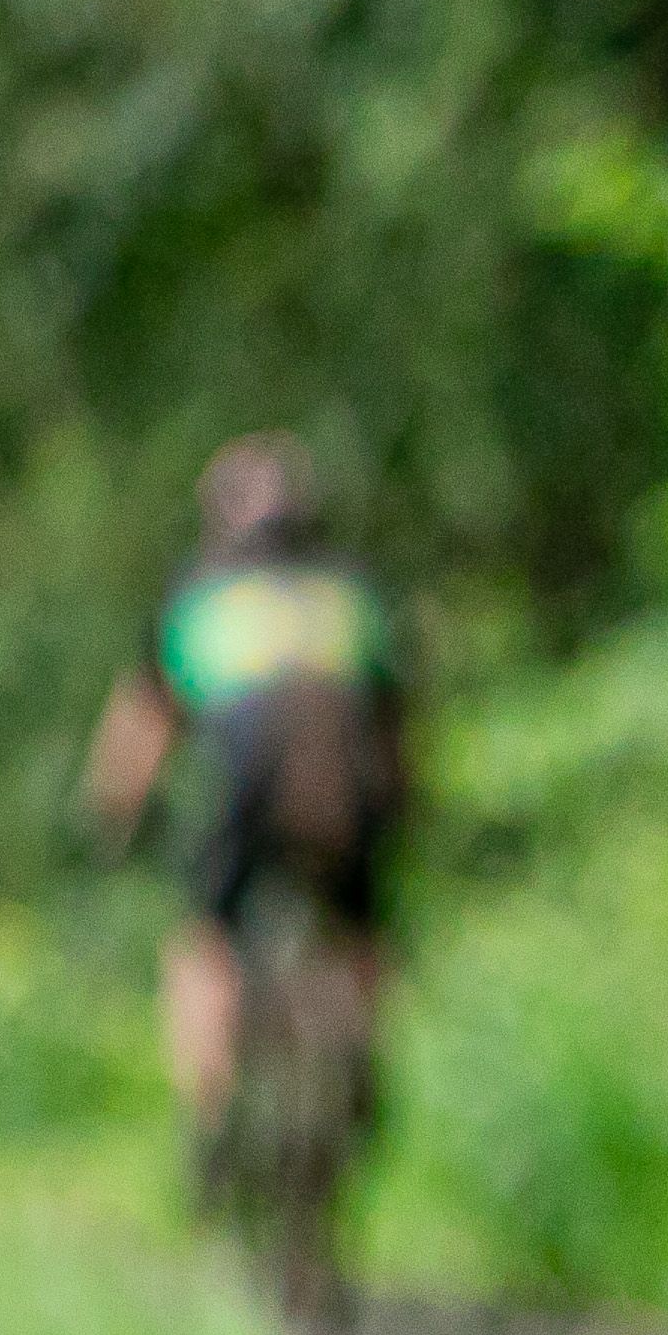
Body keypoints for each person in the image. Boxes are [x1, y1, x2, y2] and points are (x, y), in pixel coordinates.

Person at [80, 436, 405, 1235]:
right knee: (362, 934)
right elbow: (396, 728)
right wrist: (403, 815)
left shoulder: (198, 594)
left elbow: (140, 727)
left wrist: (113, 815)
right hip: (348, 804)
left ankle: (212, 1100)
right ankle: (363, 1057)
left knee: (205, 942)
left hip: (242, 796)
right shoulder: (353, 595)